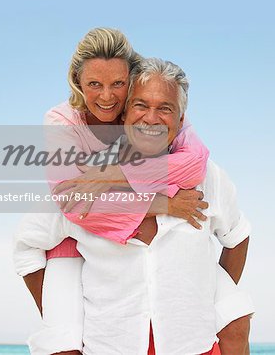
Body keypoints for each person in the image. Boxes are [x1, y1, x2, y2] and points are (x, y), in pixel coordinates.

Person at [14, 57, 254, 354]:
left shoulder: (208, 178)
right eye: (141, 105)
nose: (151, 119)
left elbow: (237, 236)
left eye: (165, 108)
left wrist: (209, 304)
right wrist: (60, 325)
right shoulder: (83, 182)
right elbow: (26, 247)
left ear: (180, 121)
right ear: (124, 112)